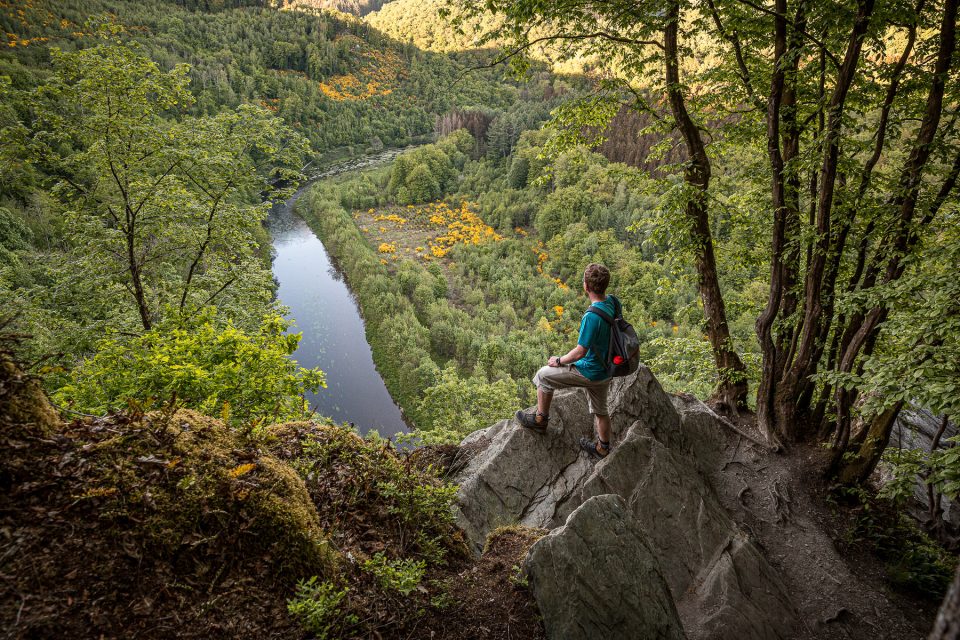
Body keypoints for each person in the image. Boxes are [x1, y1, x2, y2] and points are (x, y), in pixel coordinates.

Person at [516, 263, 617, 458]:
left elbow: (580, 352)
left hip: (589, 371)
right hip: (606, 370)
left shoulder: (591, 317)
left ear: (586, 286)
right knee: (601, 411)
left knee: (543, 376)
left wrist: (559, 360)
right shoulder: (612, 302)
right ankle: (603, 448)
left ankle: (540, 420)